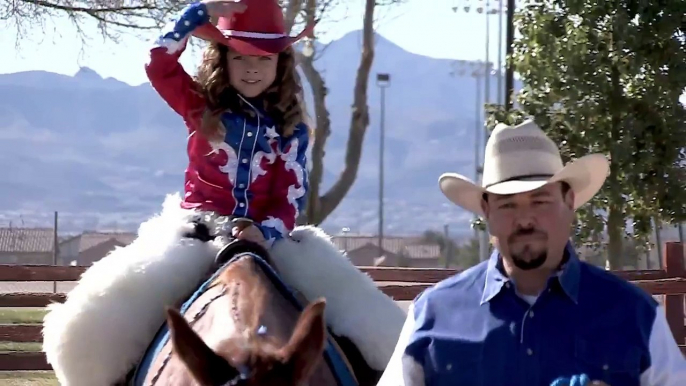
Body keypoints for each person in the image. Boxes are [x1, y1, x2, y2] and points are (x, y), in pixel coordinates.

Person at [42, 2, 405, 385]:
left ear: (280, 65)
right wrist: (199, 12)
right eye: (240, 56)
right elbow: (158, 64)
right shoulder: (200, 104)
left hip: (272, 238)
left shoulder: (292, 128)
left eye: (264, 59)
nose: (252, 68)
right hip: (195, 233)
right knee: (87, 327)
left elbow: (289, 197)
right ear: (223, 59)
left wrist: (263, 233)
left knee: (381, 332)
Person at [377, 120, 686, 386]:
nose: (525, 220)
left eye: (540, 201)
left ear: (569, 202)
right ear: (486, 210)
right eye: (507, 204)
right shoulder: (432, 315)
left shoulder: (635, 315)